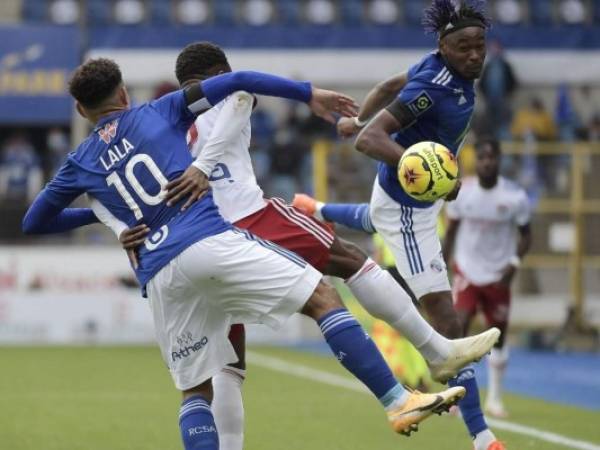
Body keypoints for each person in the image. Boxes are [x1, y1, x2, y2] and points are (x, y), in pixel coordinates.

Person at [22, 58, 466, 450]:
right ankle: (397, 401)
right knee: (323, 297)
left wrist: (106, 219)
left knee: (195, 391)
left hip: (158, 272)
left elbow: (34, 222)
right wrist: (308, 93)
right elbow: (241, 80)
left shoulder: (78, 162)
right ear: (122, 93)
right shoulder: (160, 110)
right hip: (207, 241)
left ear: (81, 110)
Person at [294, 1, 507, 449]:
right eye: (463, 47)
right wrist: (430, 170)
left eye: (479, 46)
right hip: (409, 211)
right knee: (448, 324)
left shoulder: (438, 69)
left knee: (376, 219)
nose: (474, 55)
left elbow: (393, 83)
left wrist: (354, 118)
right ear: (443, 48)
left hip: (412, 200)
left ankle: (315, 208)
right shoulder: (435, 83)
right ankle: (482, 436)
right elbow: (372, 142)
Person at [443, 138, 532, 418]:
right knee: (459, 327)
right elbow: (452, 232)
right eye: (482, 157)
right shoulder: (463, 192)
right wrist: (441, 265)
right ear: (476, 160)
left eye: (492, 157)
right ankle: (456, 395)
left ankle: (494, 399)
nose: (487, 162)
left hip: (498, 275)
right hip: (467, 270)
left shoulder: (514, 197)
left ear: (499, 160)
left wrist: (514, 264)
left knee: (498, 337)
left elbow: (526, 235)